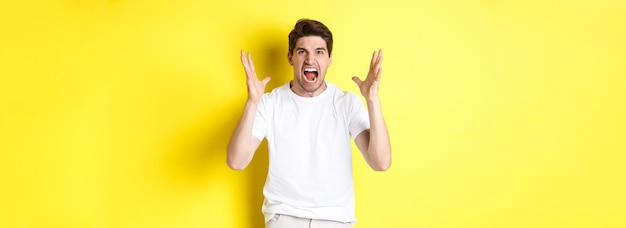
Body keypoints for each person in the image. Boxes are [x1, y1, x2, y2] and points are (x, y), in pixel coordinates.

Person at [227, 19, 391, 228]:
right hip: (284, 218)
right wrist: (252, 102)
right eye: (302, 52)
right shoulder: (270, 103)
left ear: (330, 58)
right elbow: (236, 161)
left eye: (319, 52)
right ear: (290, 57)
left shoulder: (346, 103)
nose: (310, 59)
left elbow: (381, 162)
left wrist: (372, 100)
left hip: (335, 220)